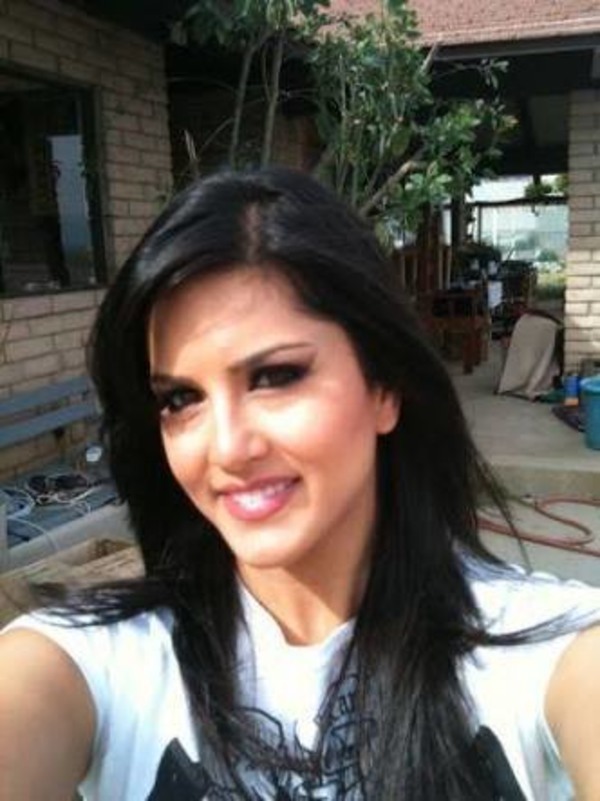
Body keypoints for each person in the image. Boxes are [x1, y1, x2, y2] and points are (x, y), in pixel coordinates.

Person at [0, 167, 599, 801]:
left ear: (384, 387)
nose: (227, 448)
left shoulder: (543, 650)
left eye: (277, 377)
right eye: (180, 399)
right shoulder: (99, 664)